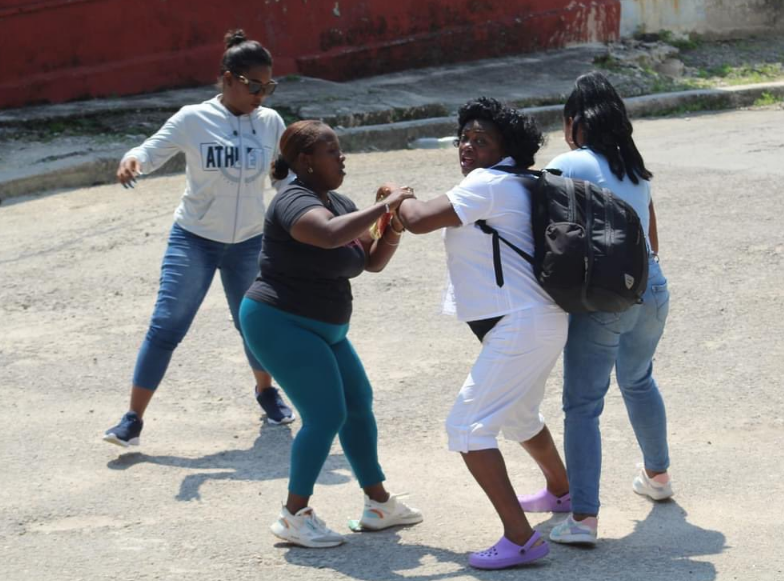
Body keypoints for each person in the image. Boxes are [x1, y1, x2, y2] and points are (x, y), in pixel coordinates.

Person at [396, 98, 569, 570]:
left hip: (521, 323)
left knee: (468, 428)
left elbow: (416, 220)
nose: (467, 146)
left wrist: (396, 195)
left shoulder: (488, 183)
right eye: (464, 138)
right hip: (541, 320)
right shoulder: (517, 182)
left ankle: (522, 538)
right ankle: (561, 491)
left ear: (505, 148)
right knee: (518, 416)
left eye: (480, 140)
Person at [103, 29, 293, 448]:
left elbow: (282, 176)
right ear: (227, 79)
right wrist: (132, 161)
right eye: (254, 86)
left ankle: (266, 391)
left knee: (255, 326)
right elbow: (150, 151)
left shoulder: (270, 122)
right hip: (195, 239)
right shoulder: (193, 119)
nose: (262, 95)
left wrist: (306, 207)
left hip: (248, 241)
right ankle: (132, 419)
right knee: (168, 323)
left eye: (269, 87)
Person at [239, 120, 423, 548]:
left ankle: (378, 504)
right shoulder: (292, 201)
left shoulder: (338, 201)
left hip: (325, 327)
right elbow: (325, 235)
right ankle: (293, 515)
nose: (342, 158)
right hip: (278, 320)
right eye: (332, 151)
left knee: (358, 405)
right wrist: (385, 205)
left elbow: (371, 261)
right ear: (306, 161)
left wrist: (391, 222)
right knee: (325, 416)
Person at [515, 72, 672, 545]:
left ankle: (583, 519)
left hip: (605, 298)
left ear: (572, 122)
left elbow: (545, 229)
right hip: (653, 288)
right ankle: (658, 478)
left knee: (582, 405)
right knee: (639, 379)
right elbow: (651, 236)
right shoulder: (633, 169)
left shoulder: (569, 162)